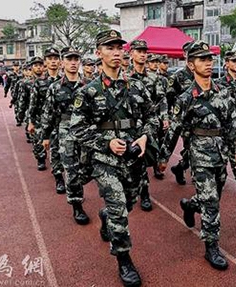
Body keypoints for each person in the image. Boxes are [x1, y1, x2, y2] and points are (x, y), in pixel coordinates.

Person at [70, 29, 158, 287]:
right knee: (120, 208)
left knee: (128, 204)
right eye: (110, 48)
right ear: (99, 53)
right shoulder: (88, 91)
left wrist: (144, 137)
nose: (117, 52)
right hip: (104, 162)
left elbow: (152, 117)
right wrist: (106, 142)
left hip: (133, 159)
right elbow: (77, 128)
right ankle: (123, 258)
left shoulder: (137, 86)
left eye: (120, 47)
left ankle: (106, 216)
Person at [158, 40, 236, 270]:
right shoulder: (186, 98)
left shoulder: (223, 92)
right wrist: (164, 158)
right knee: (212, 201)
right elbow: (174, 129)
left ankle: (190, 205)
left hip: (220, 153)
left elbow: (233, 124)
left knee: (214, 193)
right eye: (202, 60)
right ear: (191, 64)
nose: (207, 63)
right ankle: (211, 246)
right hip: (199, 155)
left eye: (209, 59)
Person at [40, 47, 90, 225]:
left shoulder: (88, 85)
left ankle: (79, 190)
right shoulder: (55, 87)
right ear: (63, 63)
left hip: (86, 132)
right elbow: (48, 113)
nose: (73, 62)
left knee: (87, 168)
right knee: (71, 169)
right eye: (69, 59)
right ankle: (77, 205)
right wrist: (46, 136)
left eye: (76, 59)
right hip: (65, 132)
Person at [129, 39, 168, 210]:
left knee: (146, 157)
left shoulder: (154, 78)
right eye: (139, 51)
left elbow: (161, 99)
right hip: (129, 124)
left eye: (145, 51)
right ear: (132, 54)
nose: (143, 54)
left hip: (149, 122)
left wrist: (164, 117)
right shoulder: (125, 78)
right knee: (132, 161)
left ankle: (144, 192)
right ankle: (136, 192)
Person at [28, 48, 65, 194]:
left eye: (56, 58)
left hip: (64, 122)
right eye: (50, 58)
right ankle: (58, 178)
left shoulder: (66, 80)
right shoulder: (39, 83)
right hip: (44, 122)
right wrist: (31, 121)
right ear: (46, 63)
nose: (53, 61)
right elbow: (33, 104)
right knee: (54, 150)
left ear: (60, 61)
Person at [216, 50, 236, 189]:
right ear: (226, 63)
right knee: (222, 155)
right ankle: (219, 179)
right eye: (234, 61)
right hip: (223, 126)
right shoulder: (219, 83)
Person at [166, 41, 194, 185]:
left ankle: (180, 167)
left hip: (204, 120)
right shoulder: (177, 77)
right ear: (185, 55)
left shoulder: (204, 74)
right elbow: (169, 99)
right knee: (193, 149)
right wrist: (170, 118)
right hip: (185, 121)